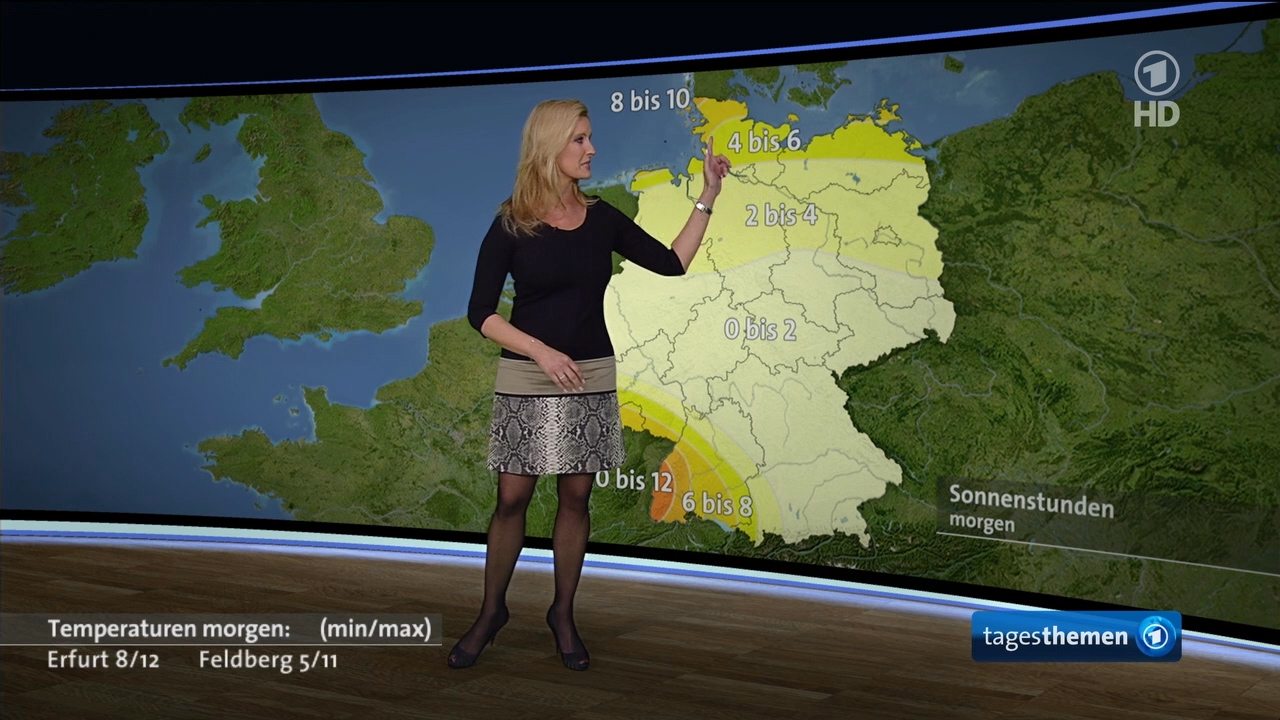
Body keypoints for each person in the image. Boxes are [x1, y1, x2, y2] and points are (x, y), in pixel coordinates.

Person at [447, 98, 731, 671]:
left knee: (576, 497)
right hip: (528, 374)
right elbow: (481, 313)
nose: (591, 149)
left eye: (589, 137)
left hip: (589, 374)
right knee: (511, 499)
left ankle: (563, 614)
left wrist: (708, 195)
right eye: (580, 139)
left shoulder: (601, 218)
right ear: (550, 145)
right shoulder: (512, 222)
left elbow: (672, 263)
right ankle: (491, 612)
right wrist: (541, 351)